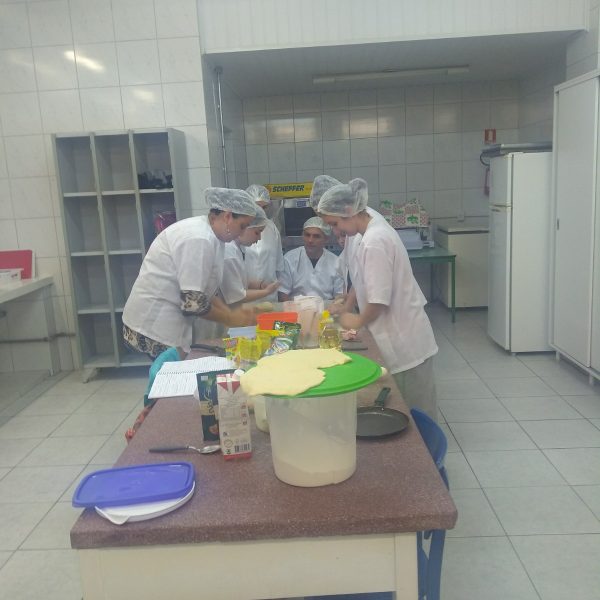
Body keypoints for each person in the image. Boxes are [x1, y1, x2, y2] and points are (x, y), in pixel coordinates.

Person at [318, 178, 439, 419]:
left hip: (405, 342)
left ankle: (429, 446)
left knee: (418, 416)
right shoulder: (369, 232)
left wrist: (357, 320)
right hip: (398, 334)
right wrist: (350, 305)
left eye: (334, 224)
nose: (336, 232)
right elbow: (364, 281)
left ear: (349, 211)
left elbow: (378, 301)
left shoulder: (374, 241)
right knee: (406, 410)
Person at [122, 187, 257, 359]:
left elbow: (205, 291)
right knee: (168, 372)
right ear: (228, 216)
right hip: (153, 322)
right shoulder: (199, 238)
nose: (242, 233)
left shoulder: (214, 238)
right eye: (242, 226)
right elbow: (192, 303)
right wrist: (230, 319)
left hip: (164, 320)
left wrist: (230, 315)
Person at [219, 205, 280, 306]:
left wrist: (260, 285)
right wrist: (266, 292)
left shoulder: (239, 249)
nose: (259, 238)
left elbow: (240, 280)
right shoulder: (230, 252)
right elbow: (235, 296)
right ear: (245, 227)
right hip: (225, 311)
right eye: (257, 232)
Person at [278, 216, 344, 301]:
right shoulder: (289, 259)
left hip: (326, 308)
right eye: (307, 235)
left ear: (326, 239)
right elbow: (283, 294)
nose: (310, 240)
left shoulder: (336, 262)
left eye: (316, 236)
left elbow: (339, 295)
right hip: (296, 307)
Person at [243, 184, 285, 302]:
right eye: (256, 207)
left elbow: (279, 265)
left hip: (269, 296)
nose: (260, 211)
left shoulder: (272, 228)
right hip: (244, 295)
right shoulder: (238, 230)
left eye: (264, 207)